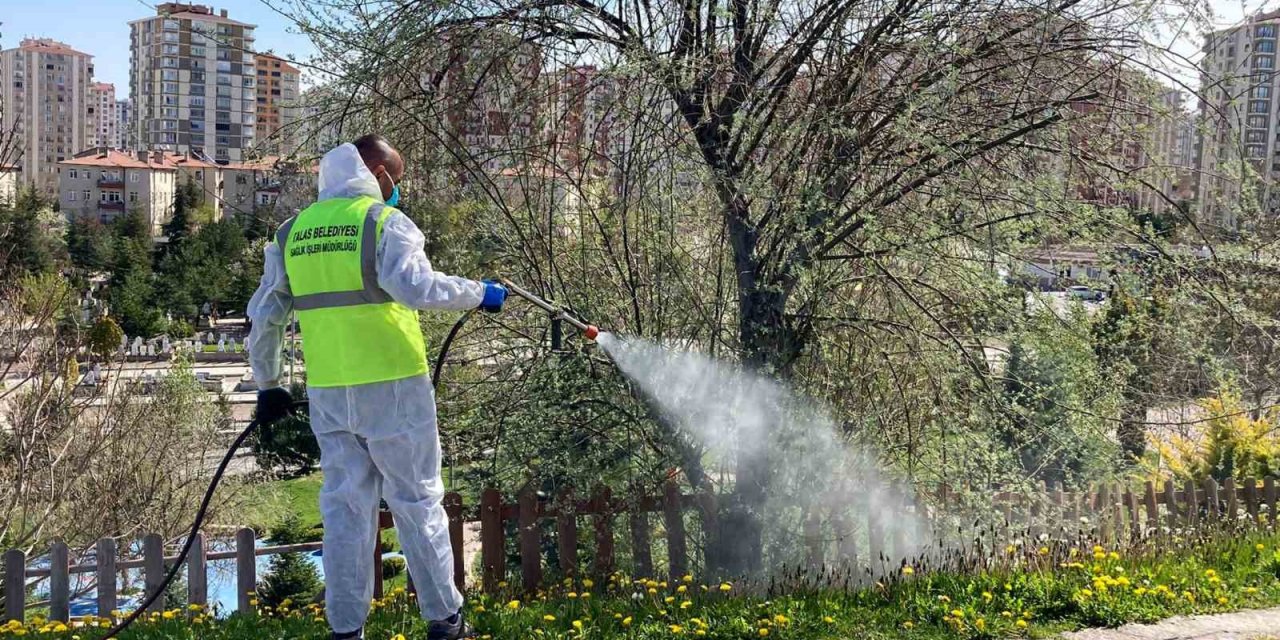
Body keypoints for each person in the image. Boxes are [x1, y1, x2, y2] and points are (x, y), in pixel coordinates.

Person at [246, 135, 506, 640]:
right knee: (417, 503)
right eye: (396, 179)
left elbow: (265, 316)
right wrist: (481, 294)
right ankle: (445, 622)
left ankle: (346, 631)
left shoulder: (291, 232)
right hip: (393, 389)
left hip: (330, 394)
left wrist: (268, 384)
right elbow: (416, 287)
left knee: (344, 512)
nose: (397, 190)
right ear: (378, 173)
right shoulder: (384, 222)